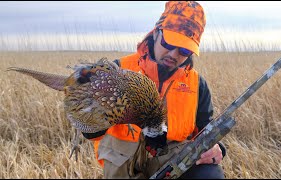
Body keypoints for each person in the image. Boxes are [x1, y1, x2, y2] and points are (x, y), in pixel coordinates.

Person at [82, 1, 226, 179]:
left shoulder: (197, 84)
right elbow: (89, 132)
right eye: (169, 42)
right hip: (123, 166)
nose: (174, 54)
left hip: (170, 166)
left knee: (209, 175)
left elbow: (206, 130)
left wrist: (216, 148)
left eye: (184, 50)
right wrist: (98, 111)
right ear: (156, 32)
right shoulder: (117, 70)